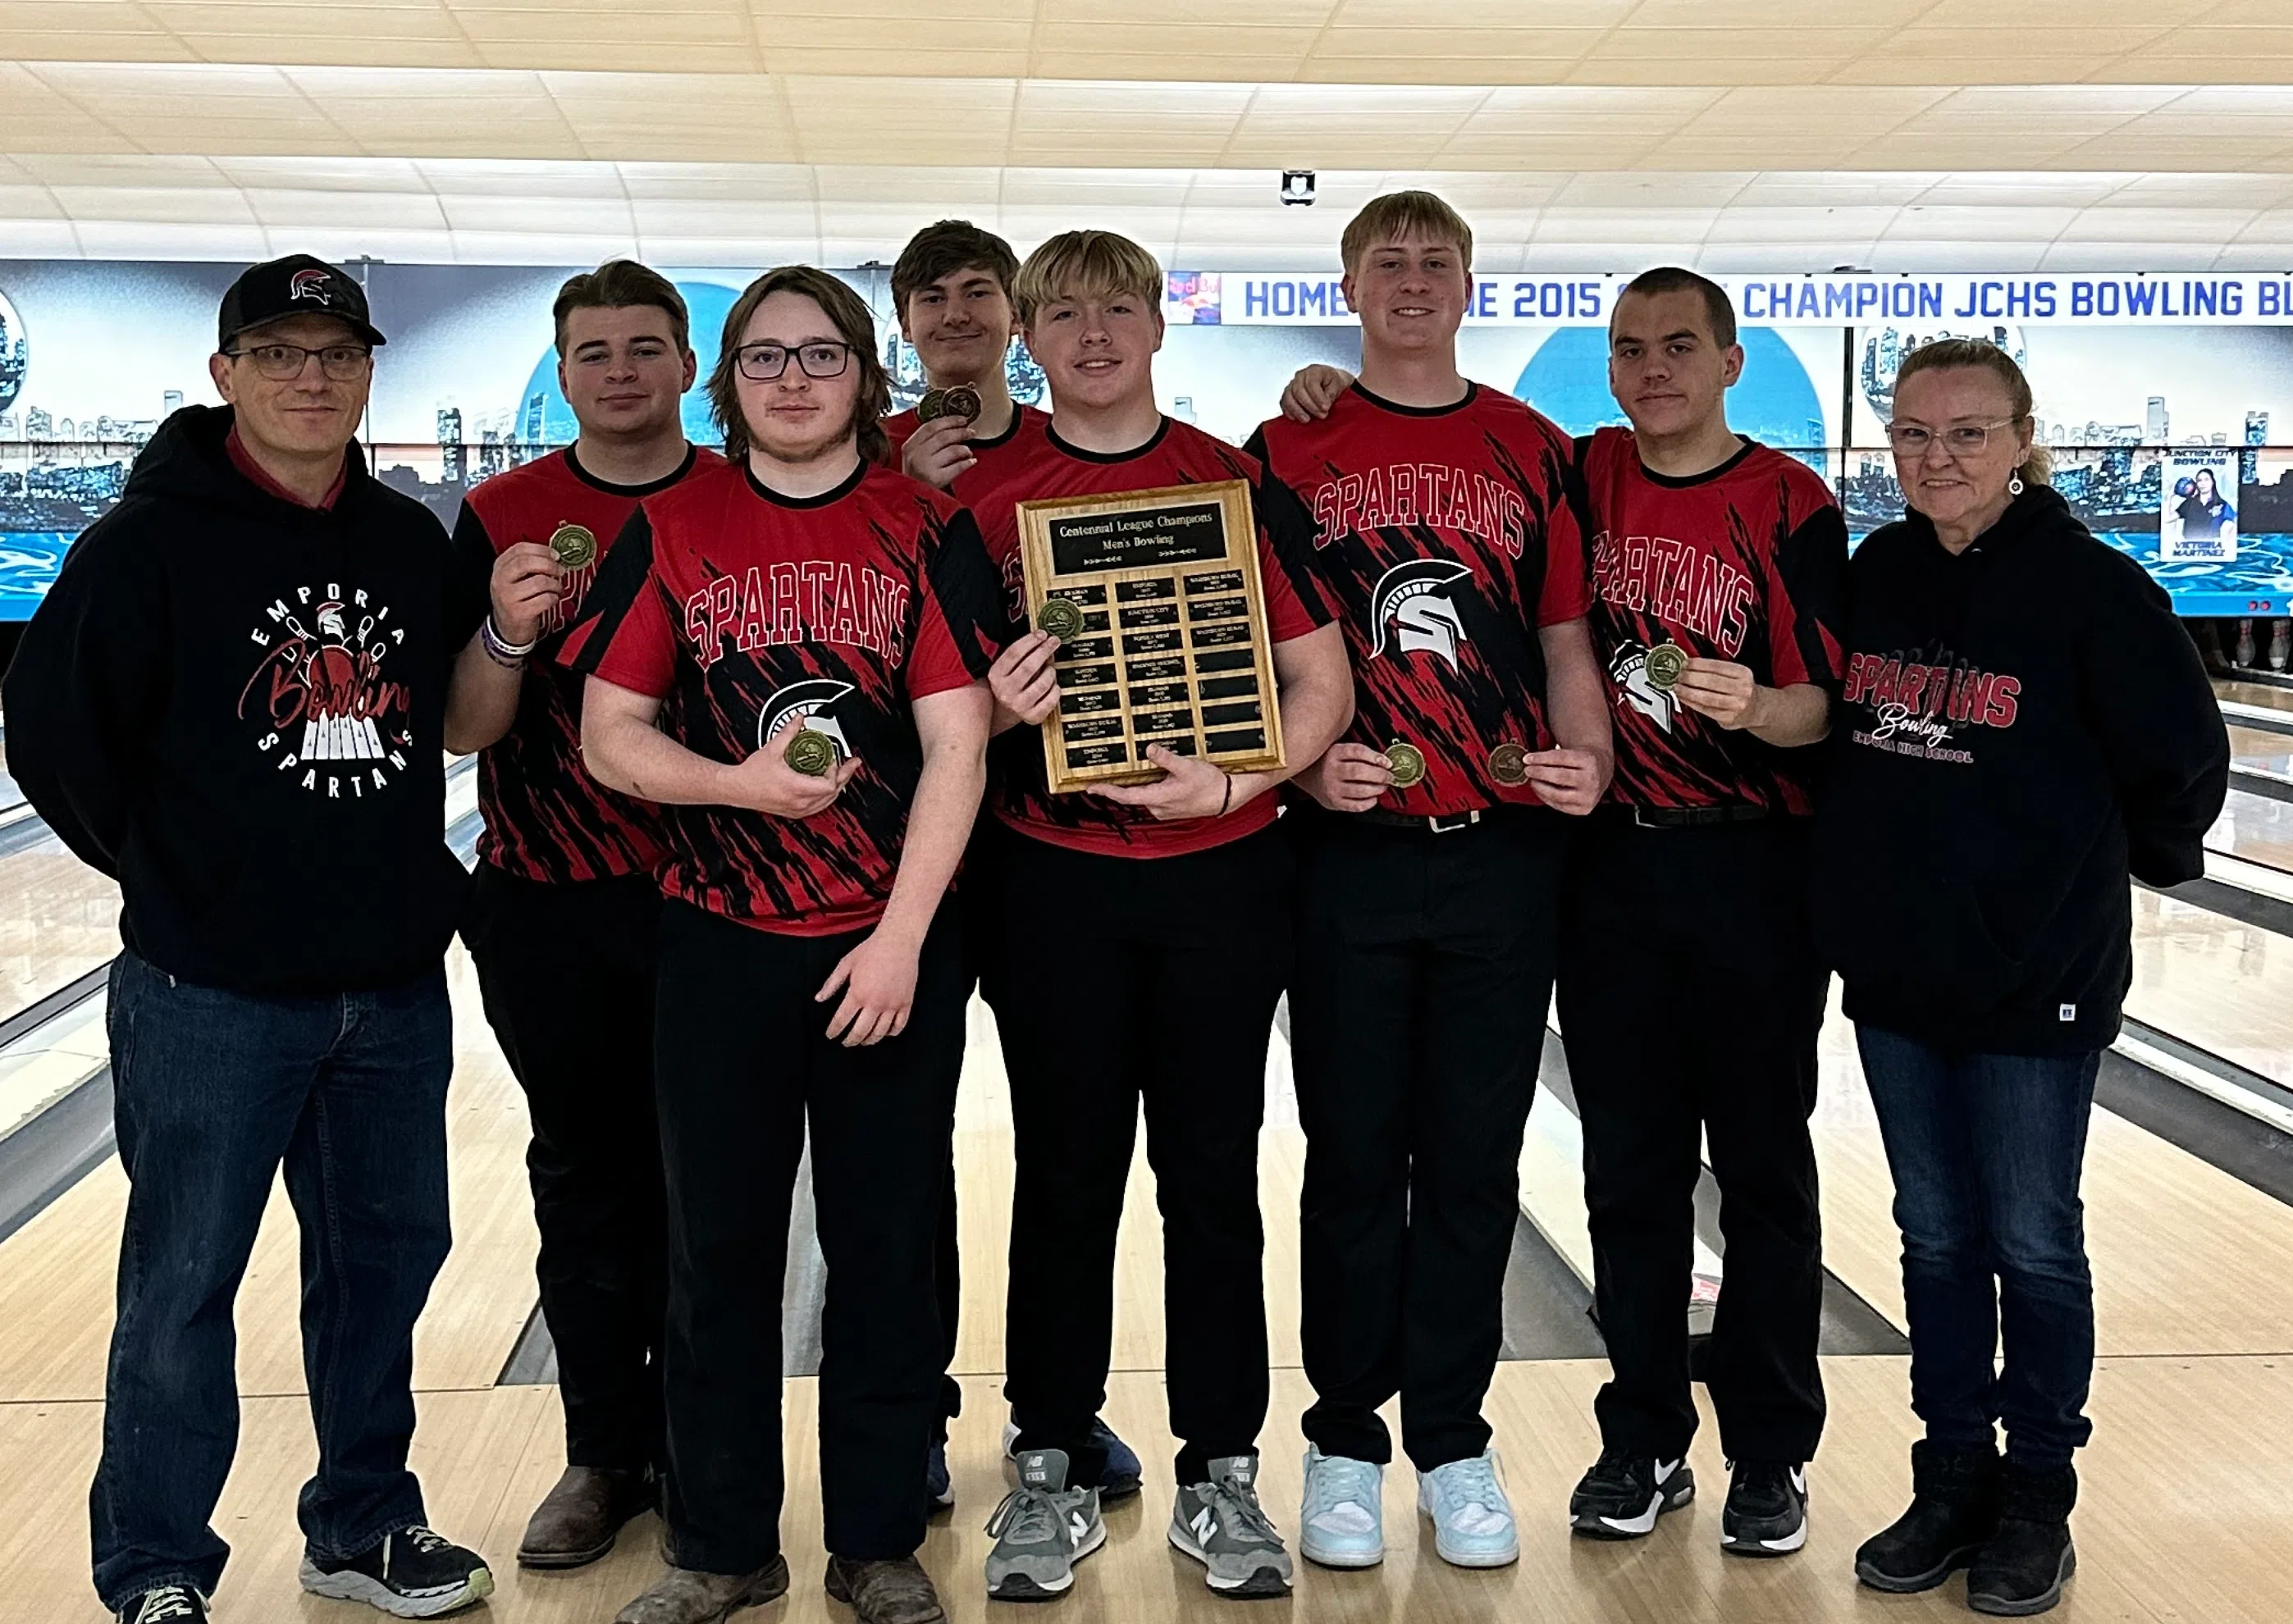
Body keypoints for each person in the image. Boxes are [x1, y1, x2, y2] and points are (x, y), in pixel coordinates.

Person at [7, 253, 533, 1623]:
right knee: (183, 1286)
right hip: (210, 993)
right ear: (226, 373)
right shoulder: (144, 543)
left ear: (368, 375)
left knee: (382, 1275)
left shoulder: (405, 539)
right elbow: (56, 735)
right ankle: (158, 1567)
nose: (313, 378)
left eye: (338, 355)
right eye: (283, 353)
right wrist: (174, 873)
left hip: (388, 986)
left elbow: (449, 724)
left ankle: (361, 1528)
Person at [564, 265, 999, 1624]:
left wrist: (902, 940)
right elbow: (609, 735)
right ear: (729, 382)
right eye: (765, 358)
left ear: (863, 378)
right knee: (717, 1255)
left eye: (819, 356)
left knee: (883, 1248)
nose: (793, 380)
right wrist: (736, 786)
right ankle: (719, 1547)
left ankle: (874, 1541)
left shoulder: (923, 526)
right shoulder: (673, 527)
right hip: (716, 946)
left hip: (882, 948)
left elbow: (957, 739)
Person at [964, 230, 1352, 1604]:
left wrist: (1239, 777)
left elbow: (1322, 682)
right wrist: (999, 709)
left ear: (1154, 324)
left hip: (1224, 872)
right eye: (1059, 313)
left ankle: (1220, 1472)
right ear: (1027, 336)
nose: (1088, 334)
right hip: (1050, 878)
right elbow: (942, 706)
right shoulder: (982, 498)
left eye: (1112, 308)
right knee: (1064, 1177)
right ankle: (1049, 1460)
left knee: (1209, 1180)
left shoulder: (1236, 483)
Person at [1816, 339, 2228, 1617]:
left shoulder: (2093, 589)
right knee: (1933, 1240)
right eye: (1912, 434)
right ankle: (1948, 1478)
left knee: (2033, 1242)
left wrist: (2089, 884)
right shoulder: (1875, 572)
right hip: (1897, 975)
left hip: (2034, 978)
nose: (1935, 458)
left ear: (2019, 439)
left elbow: (2182, 763)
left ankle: (2035, 1494)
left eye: (1966, 434)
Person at [1245, 190, 1610, 1573]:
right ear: (1345, 283)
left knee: (1472, 1166)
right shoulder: (1283, 445)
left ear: (1470, 284)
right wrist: (1294, 772)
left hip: (1499, 860)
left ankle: (1454, 1440)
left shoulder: (1535, 449)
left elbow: (1565, 633)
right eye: (1384, 262)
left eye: (1434, 263)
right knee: (1349, 1167)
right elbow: (1257, 649)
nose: (1409, 282)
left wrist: (1584, 755)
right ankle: (1343, 1441)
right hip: (1342, 861)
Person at [442, 258, 721, 1571]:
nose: (620, 369)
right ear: (563, 373)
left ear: (685, 366)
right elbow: (462, 727)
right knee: (585, 1180)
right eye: (595, 350)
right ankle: (602, 1454)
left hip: (715, 903)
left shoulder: (734, 497)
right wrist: (500, 634)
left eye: (645, 346)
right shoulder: (504, 509)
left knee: (707, 1184)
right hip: (548, 904)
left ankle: (703, 1448)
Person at [877, 220, 1141, 1512]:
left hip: (1044, 856)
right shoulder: (860, 461)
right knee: (903, 1150)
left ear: (1017, 318)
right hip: (905, 864)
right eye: (930, 298)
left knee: (1067, 1145)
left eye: (979, 290)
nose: (956, 314)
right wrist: (911, 493)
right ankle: (913, 1414)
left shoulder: (1066, 454)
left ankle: (1062, 1412)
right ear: (905, 325)